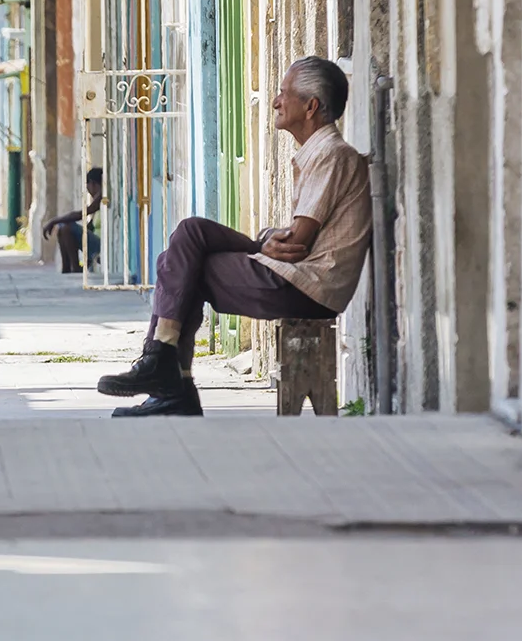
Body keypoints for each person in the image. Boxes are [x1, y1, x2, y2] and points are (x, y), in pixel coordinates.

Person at [97, 56, 370, 417]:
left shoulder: (331, 155)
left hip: (308, 287)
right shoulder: (319, 154)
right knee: (181, 255)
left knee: (184, 253)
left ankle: (166, 373)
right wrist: (265, 241)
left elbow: (296, 243)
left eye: (283, 94)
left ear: (311, 106)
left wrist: (266, 242)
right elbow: (293, 236)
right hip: (300, 282)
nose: (275, 102)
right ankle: (166, 374)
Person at [41, 167, 103, 274]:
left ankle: (75, 268)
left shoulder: (102, 197)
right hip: (95, 244)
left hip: (101, 245)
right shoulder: (97, 203)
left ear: (93, 184)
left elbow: (80, 214)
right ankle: (67, 268)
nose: (88, 191)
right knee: (63, 229)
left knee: (68, 227)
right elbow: (91, 226)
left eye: (87, 187)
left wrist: (54, 221)